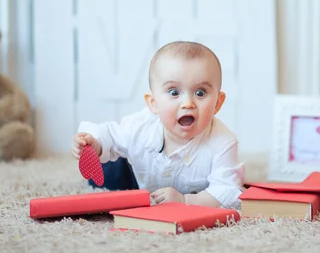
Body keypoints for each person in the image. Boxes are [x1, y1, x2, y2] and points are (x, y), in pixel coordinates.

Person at [70, 41, 245, 209]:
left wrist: (186, 200)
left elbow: (228, 192)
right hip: (135, 175)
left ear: (217, 103)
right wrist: (94, 144)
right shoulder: (140, 126)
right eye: (174, 92)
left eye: (200, 93)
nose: (187, 103)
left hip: (194, 192)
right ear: (153, 103)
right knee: (108, 173)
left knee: (229, 180)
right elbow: (111, 133)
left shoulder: (223, 143)